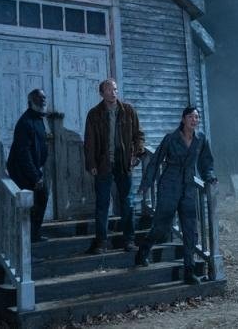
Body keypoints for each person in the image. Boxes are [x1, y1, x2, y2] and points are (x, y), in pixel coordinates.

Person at [135, 106, 216, 285]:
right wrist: (146, 184)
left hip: (188, 187)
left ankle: (189, 271)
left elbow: (206, 162)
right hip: (169, 184)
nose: (194, 120)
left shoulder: (201, 139)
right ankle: (144, 249)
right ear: (183, 119)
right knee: (161, 226)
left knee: (190, 229)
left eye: (197, 117)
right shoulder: (170, 138)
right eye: (191, 117)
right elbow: (155, 161)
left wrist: (209, 177)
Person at [84, 78, 145, 254]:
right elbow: (89, 142)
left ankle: (129, 240)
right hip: (103, 164)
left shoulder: (128, 111)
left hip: (123, 163)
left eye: (115, 89)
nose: (113, 93)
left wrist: (137, 153)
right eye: (109, 90)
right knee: (102, 203)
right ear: (101, 93)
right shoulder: (94, 114)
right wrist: (91, 163)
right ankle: (101, 242)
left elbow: (139, 135)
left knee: (127, 203)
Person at [6, 89, 50, 242]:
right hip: (22, 171)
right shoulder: (25, 122)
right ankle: (26, 238)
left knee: (41, 198)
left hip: (34, 169)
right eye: (39, 98)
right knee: (31, 203)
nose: (43, 100)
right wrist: (35, 176)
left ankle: (34, 235)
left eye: (44, 97)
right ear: (31, 101)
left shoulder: (38, 119)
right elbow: (23, 153)